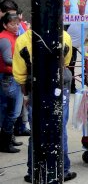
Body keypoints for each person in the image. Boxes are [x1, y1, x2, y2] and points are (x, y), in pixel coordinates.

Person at [12, 29, 77, 182]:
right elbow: (66, 62)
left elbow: (20, 75)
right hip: (60, 87)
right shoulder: (64, 36)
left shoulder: (22, 41)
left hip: (36, 88)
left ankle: (33, 171)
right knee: (60, 129)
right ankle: (63, 169)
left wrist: (26, 96)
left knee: (36, 131)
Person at [0, 13, 23, 153]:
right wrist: (23, 63)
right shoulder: (5, 39)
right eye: (12, 24)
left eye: (17, 23)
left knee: (12, 111)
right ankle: (5, 142)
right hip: (10, 78)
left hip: (12, 77)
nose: (16, 26)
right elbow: (8, 59)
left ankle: (9, 138)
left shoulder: (12, 37)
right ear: (4, 25)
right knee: (13, 112)